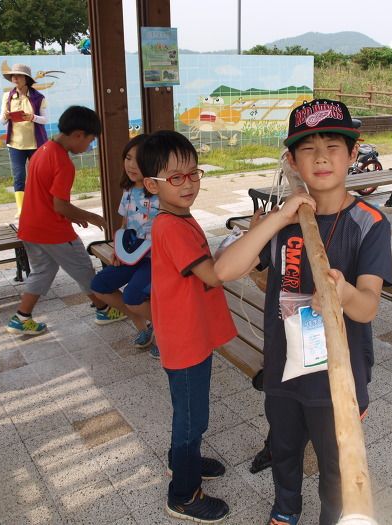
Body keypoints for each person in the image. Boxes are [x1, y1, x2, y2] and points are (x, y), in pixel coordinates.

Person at [215, 99, 392, 525]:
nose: (321, 157)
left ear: (353, 154)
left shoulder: (370, 223)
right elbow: (224, 271)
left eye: (333, 146)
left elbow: (368, 308)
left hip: (339, 377)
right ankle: (285, 508)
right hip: (284, 368)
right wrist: (278, 219)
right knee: (285, 448)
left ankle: (333, 517)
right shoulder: (285, 220)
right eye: (308, 149)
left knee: (336, 465)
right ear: (292, 161)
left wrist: (342, 292)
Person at [140, 130, 236, 523]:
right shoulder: (171, 226)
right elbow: (212, 274)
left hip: (190, 331)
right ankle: (183, 493)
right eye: (176, 177)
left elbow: (203, 266)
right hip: (184, 340)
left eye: (194, 173)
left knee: (192, 411)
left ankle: (181, 459)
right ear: (152, 185)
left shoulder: (179, 216)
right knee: (192, 417)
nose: (189, 183)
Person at [6, 106, 125, 336]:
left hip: (30, 228)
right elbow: (59, 205)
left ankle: (21, 317)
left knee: (42, 271)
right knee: (83, 269)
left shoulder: (42, 150)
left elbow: (46, 197)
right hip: (54, 232)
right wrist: (91, 216)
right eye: (90, 140)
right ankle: (104, 309)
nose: (89, 146)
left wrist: (72, 215)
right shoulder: (63, 163)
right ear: (78, 134)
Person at [90, 134, 159, 356]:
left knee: (132, 296)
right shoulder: (128, 191)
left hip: (155, 258)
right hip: (130, 253)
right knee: (99, 285)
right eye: (128, 158)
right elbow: (125, 223)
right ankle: (144, 327)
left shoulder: (161, 194)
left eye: (139, 160)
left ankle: (164, 331)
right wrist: (117, 250)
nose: (131, 165)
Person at [0, 63, 48, 218]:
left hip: (35, 144)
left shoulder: (39, 97)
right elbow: (2, 121)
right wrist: (6, 116)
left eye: (18, 75)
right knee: (19, 176)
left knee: (38, 176)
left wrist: (32, 117)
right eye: (13, 76)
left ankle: (40, 206)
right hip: (15, 144)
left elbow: (45, 120)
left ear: (26, 79)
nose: (15, 78)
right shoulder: (7, 96)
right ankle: (21, 209)